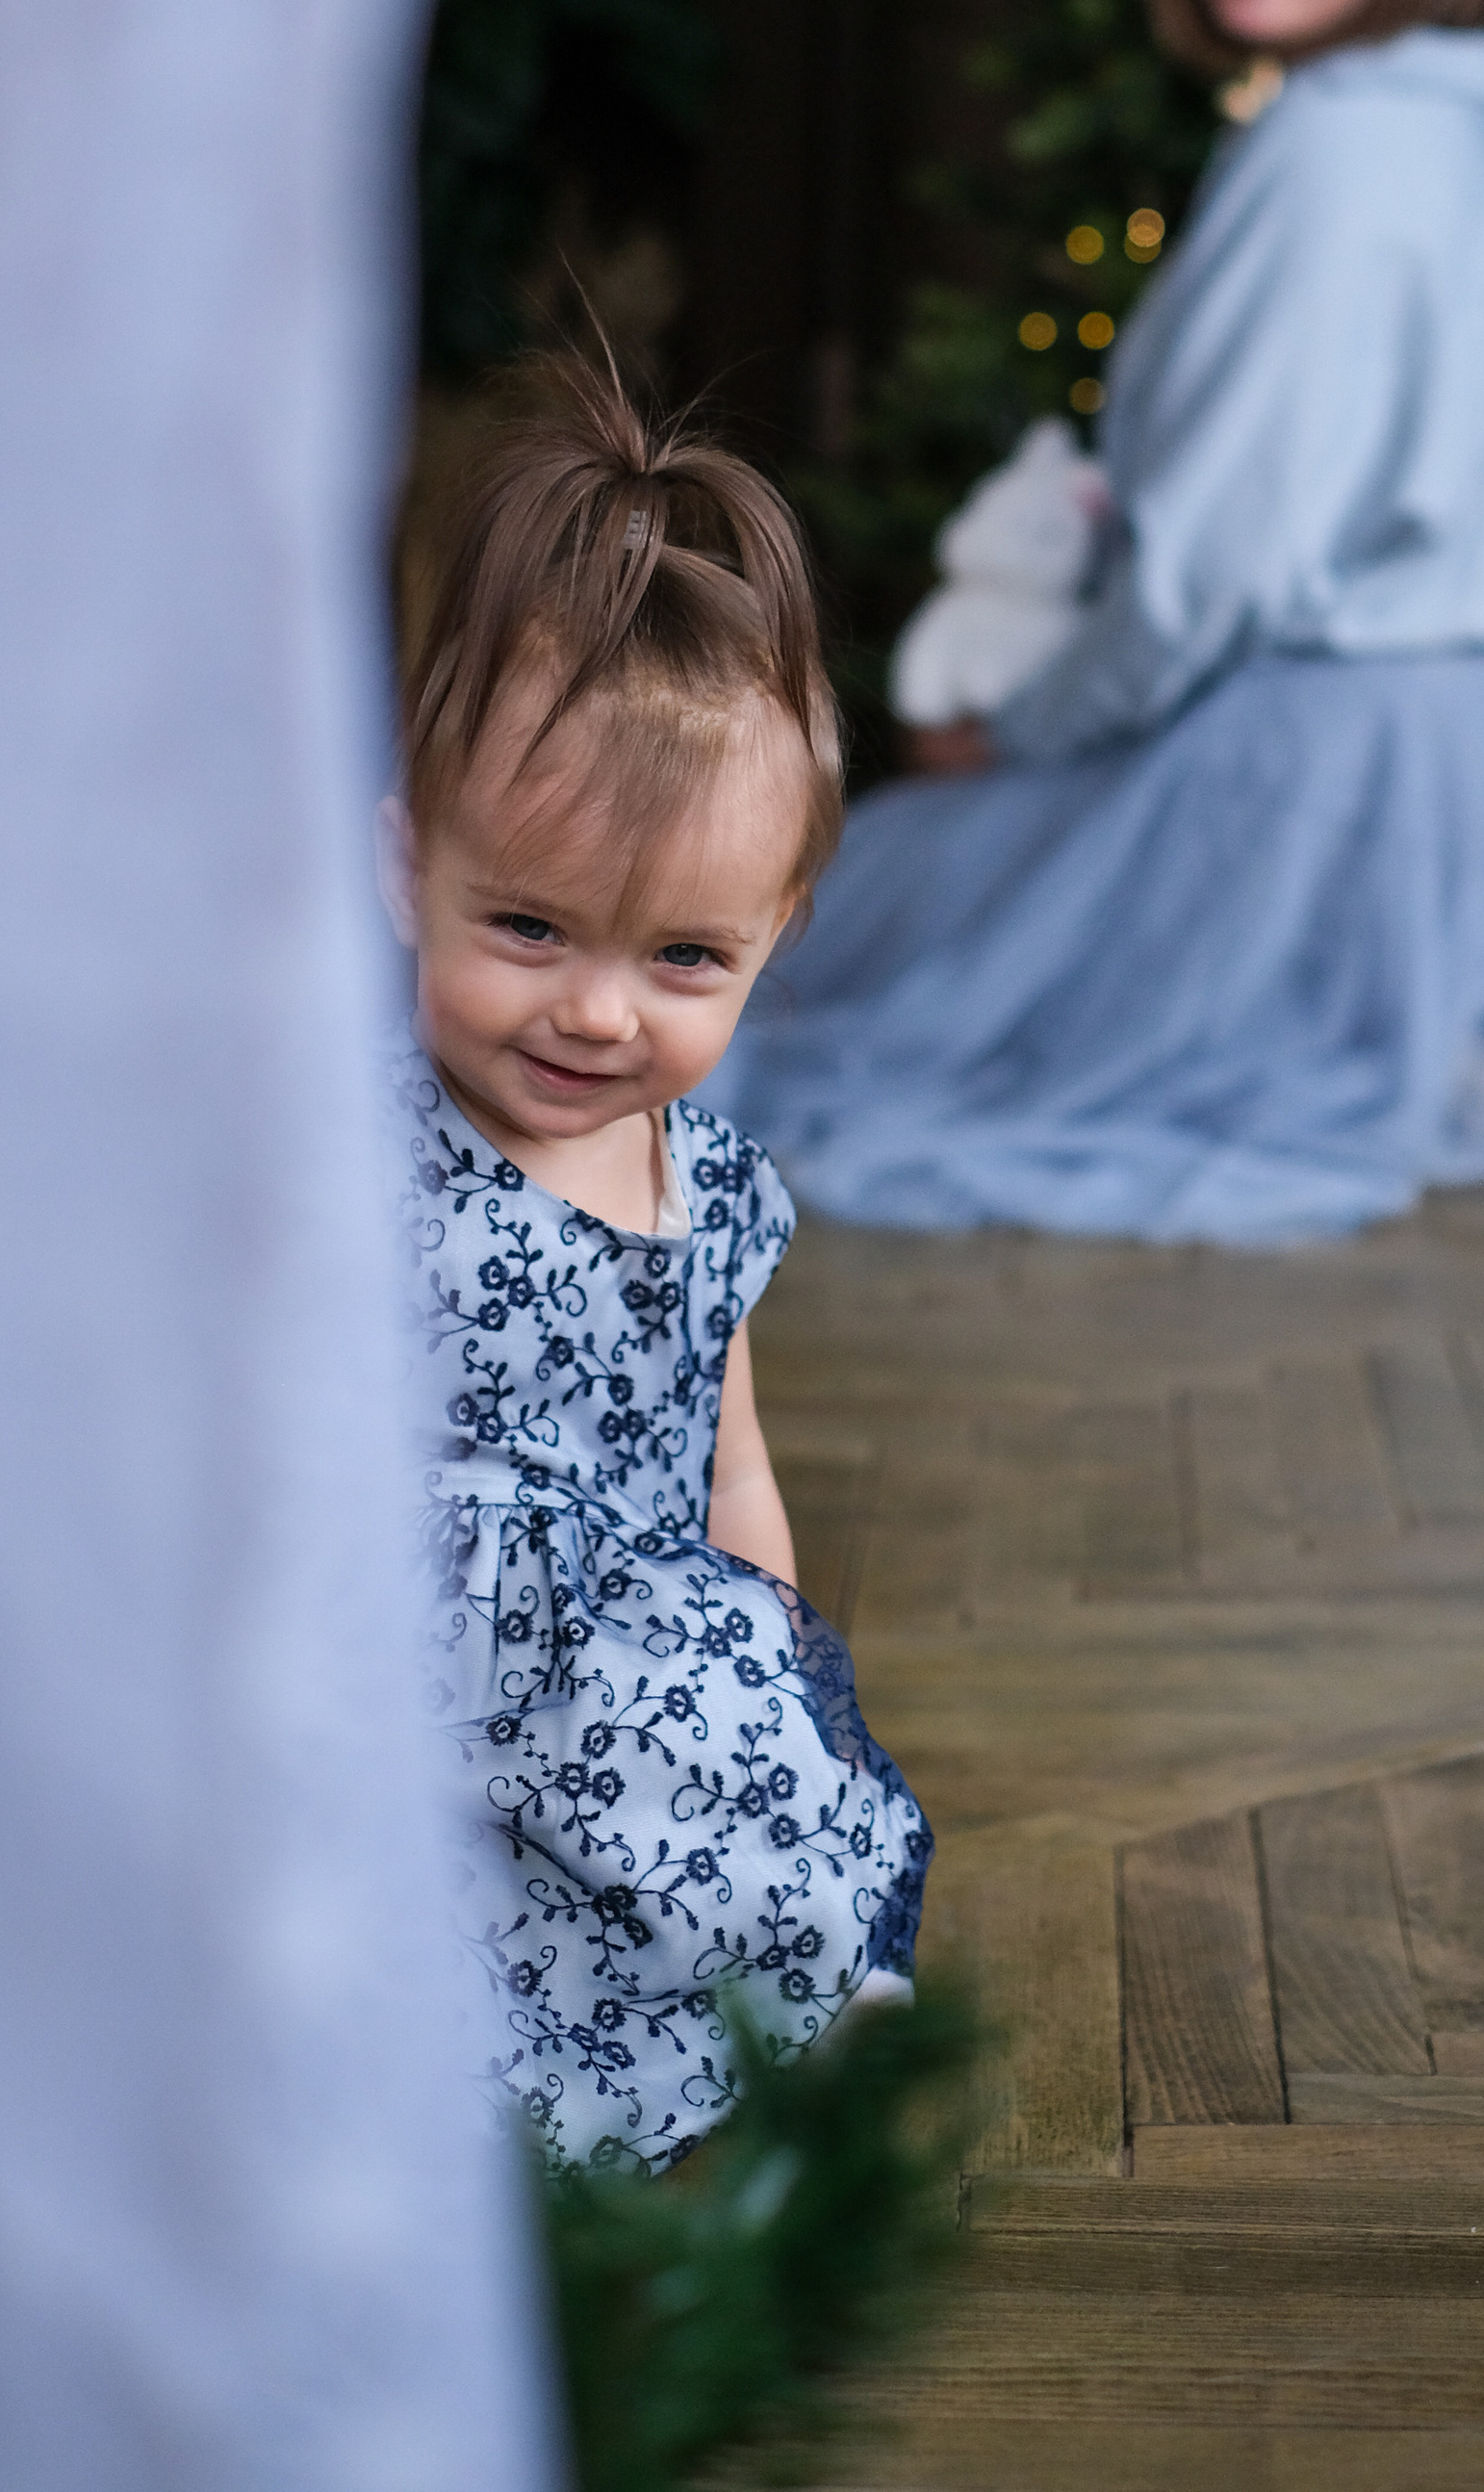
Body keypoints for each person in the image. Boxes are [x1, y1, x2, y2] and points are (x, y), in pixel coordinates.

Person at [707, 0, 1484, 1245]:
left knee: (868, 911)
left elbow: (1215, 573)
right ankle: (1464, 1081)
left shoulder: (1339, 153)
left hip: (1348, 779)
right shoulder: (1463, 128)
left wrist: (1021, 730)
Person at [379, 358, 931, 2165]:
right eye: (526, 927)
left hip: (626, 1668)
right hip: (410, 1656)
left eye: (684, 958)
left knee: (752, 1794)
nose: (596, 1012)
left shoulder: (711, 1185)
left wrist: (761, 1640)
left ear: (775, 935)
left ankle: (773, 2028)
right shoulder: (367, 1146)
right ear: (407, 869)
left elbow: (728, 1448)